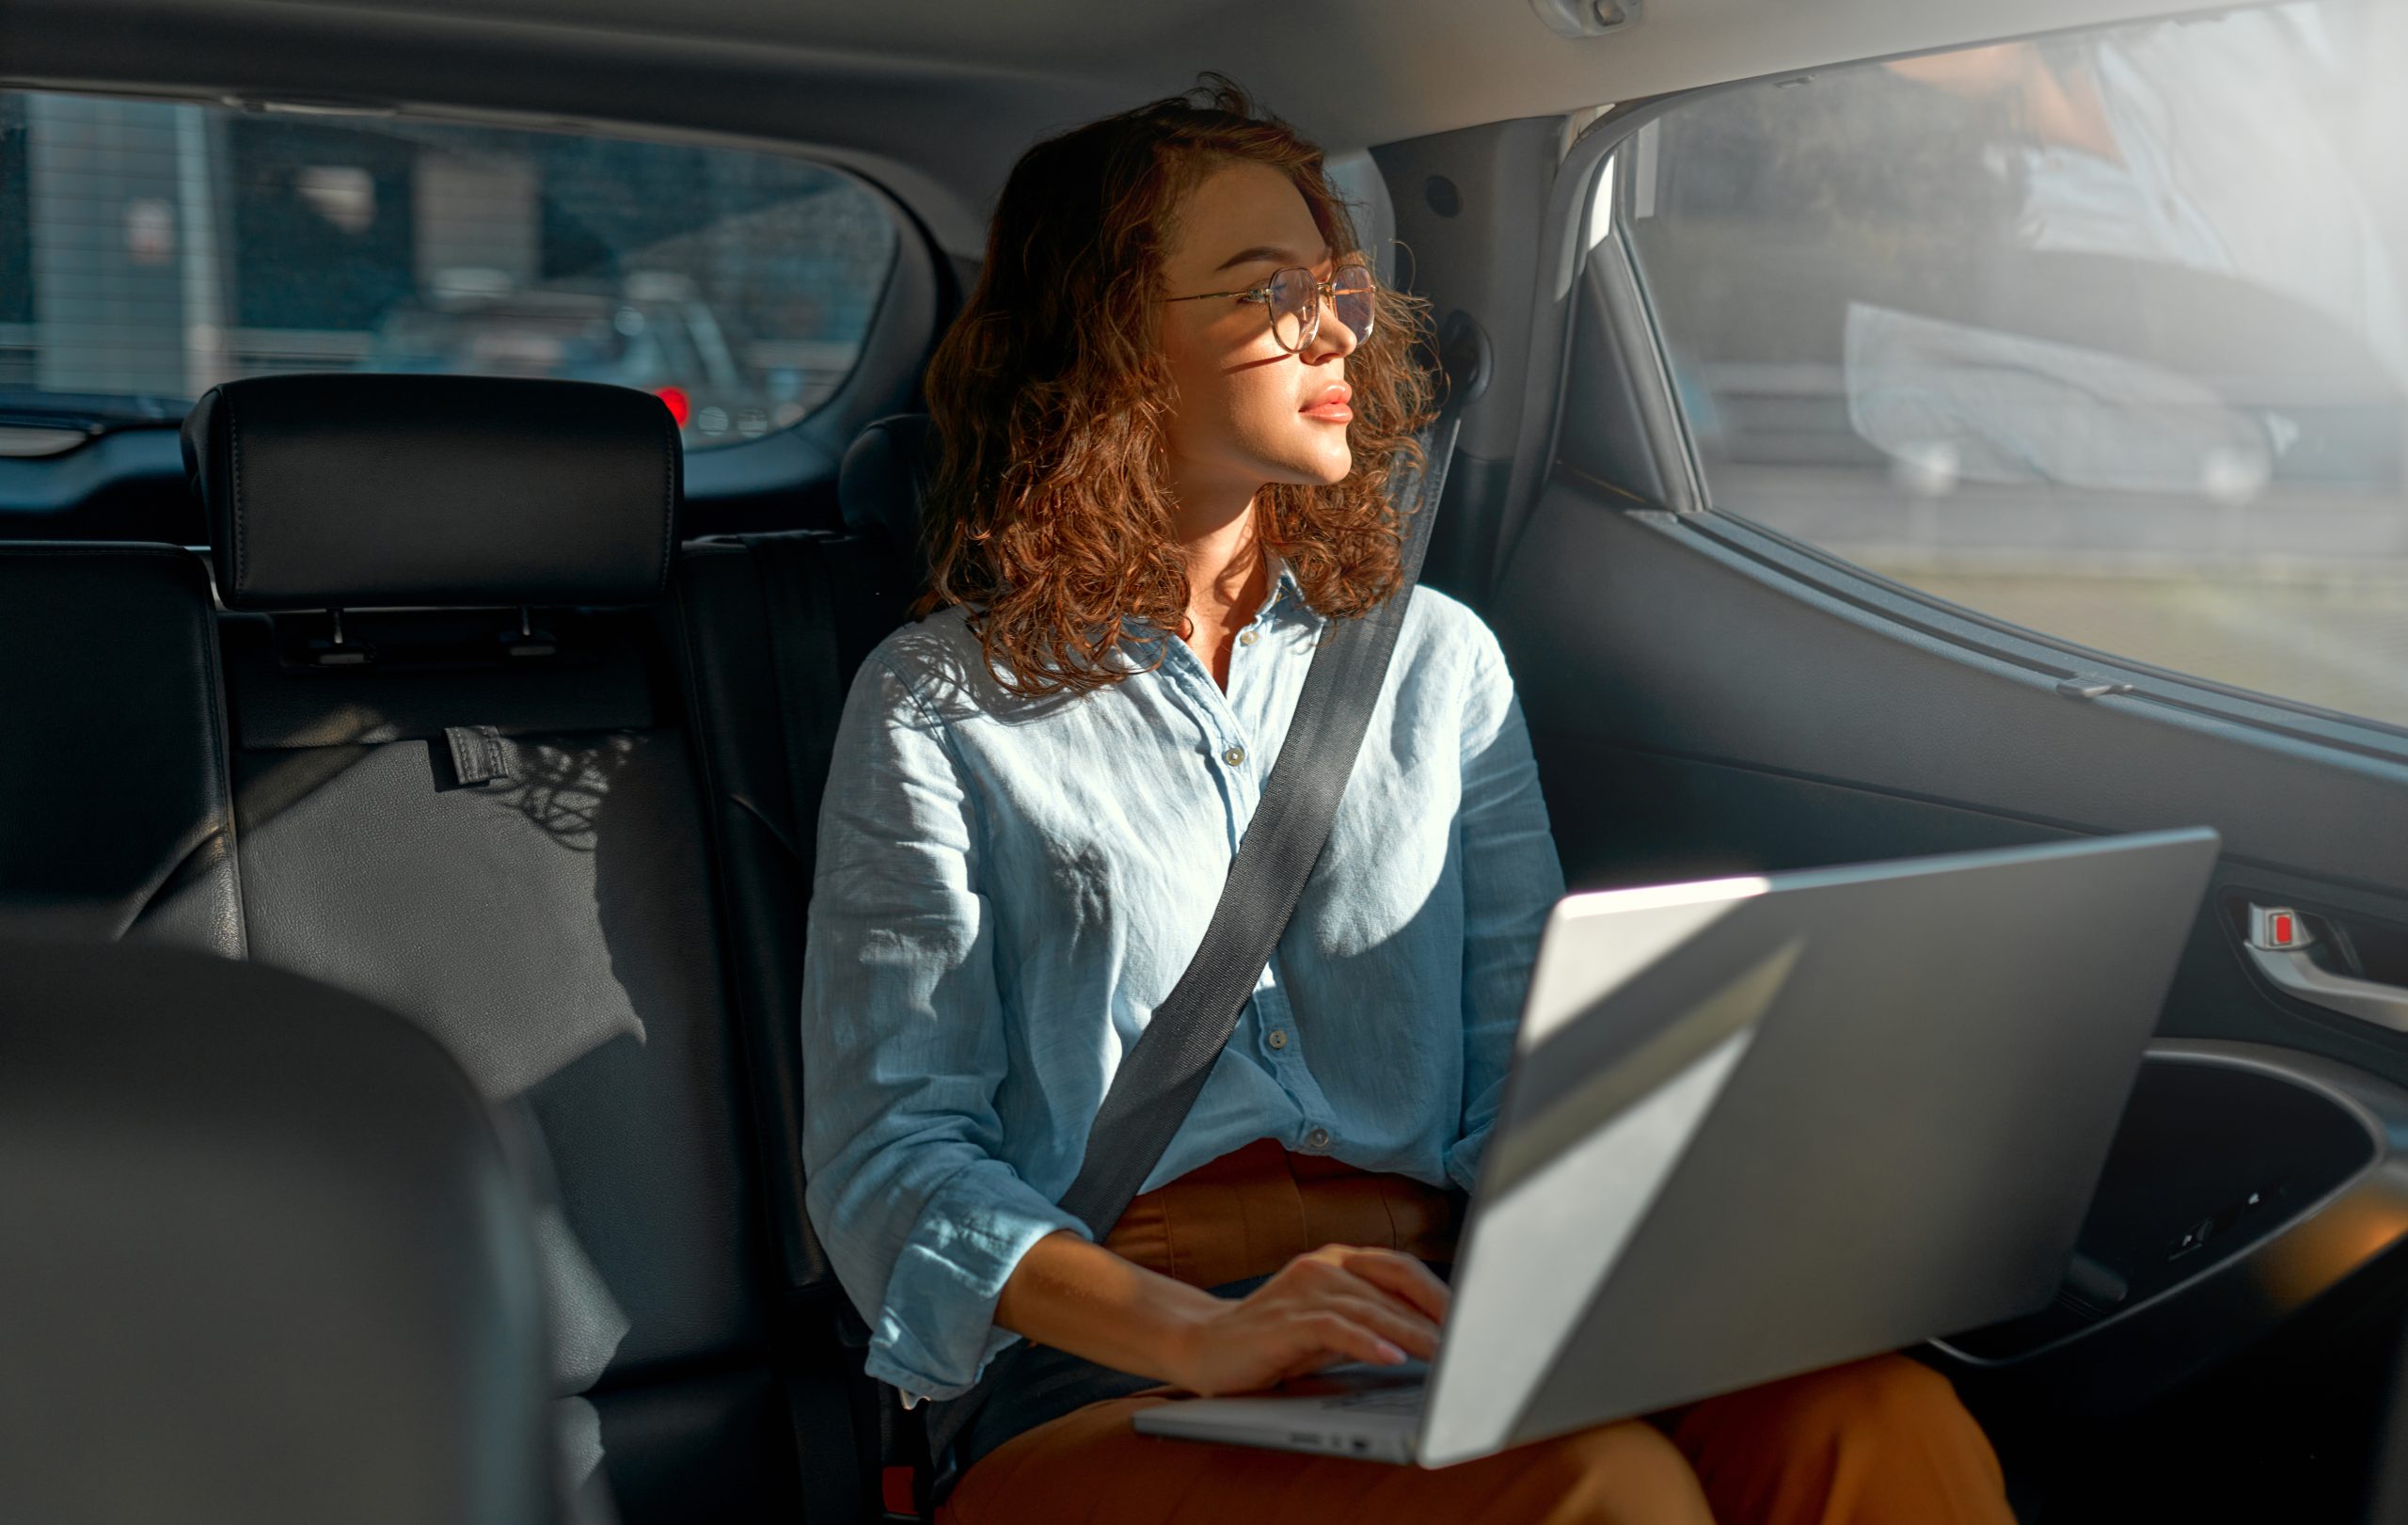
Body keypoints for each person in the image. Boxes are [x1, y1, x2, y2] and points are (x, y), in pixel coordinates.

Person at [797, 77, 2015, 1525]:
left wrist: (1684, 1254)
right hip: (1111, 1376)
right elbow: (890, 1160)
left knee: (1875, 1418)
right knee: (1596, 1493)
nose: (1333, 332)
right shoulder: (939, 703)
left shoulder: (1438, 663)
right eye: (1268, 292)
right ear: (1118, 339)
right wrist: (1200, 1330)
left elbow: (1529, 1077)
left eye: (1338, 286)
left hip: (1434, 1321)